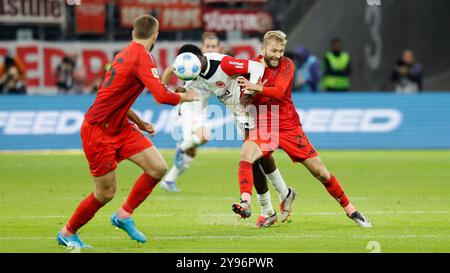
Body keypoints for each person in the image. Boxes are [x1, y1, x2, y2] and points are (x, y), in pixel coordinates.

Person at [56, 15, 198, 249]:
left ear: (133, 33)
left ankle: (123, 215)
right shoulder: (142, 57)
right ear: (155, 35)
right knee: (105, 193)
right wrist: (185, 97)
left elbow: (115, 97)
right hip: (98, 130)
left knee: (157, 167)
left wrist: (140, 122)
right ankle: (67, 232)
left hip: (120, 125)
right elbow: (162, 96)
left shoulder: (123, 55)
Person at [235, 30, 372, 228]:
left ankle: (351, 210)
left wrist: (256, 87)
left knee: (321, 172)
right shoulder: (251, 68)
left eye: (281, 51)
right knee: (246, 153)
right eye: (274, 51)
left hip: (290, 127)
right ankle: (245, 202)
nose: (278, 55)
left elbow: (280, 92)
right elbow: (244, 100)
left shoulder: (287, 65)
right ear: (263, 49)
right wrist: (246, 94)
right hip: (266, 127)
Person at [169, 44, 296, 227]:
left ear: (199, 57)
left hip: (252, 107)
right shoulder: (194, 71)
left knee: (253, 158)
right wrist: (180, 97)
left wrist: (249, 92)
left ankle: (267, 208)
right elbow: (190, 89)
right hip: (238, 112)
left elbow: (256, 67)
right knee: (260, 159)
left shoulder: (223, 63)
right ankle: (282, 196)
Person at [159, 32, 221, 192]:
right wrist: (162, 91)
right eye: (208, 46)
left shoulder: (218, 65)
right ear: (202, 48)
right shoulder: (192, 62)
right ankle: (181, 147)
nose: (210, 49)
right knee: (204, 136)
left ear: (218, 49)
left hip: (202, 109)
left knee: (191, 152)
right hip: (188, 107)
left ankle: (169, 181)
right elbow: (169, 70)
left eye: (213, 46)